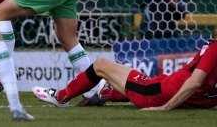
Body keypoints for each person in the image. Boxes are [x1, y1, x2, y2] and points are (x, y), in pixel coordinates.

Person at [33, 40, 217, 110]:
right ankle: (104, 93)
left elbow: (194, 82)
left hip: (155, 93)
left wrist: (166, 108)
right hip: (162, 87)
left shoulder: (215, 48)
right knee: (125, 77)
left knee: (100, 65)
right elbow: (203, 91)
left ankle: (60, 96)